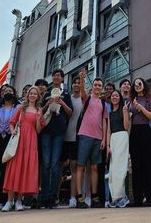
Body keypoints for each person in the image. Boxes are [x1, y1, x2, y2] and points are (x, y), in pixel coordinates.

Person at [1, 86, 45, 211]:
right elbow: (11, 123)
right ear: (28, 95)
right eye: (31, 93)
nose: (32, 95)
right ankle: (9, 201)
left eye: (35, 94)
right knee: (14, 168)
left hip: (31, 141)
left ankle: (19, 200)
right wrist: (12, 130)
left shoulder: (39, 110)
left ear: (38, 96)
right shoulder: (21, 108)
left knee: (25, 168)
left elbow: (38, 130)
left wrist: (38, 118)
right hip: (19, 140)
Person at [39, 68, 73, 209]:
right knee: (46, 164)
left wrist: (61, 102)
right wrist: (48, 102)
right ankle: (44, 196)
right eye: (54, 75)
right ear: (52, 78)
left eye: (59, 75)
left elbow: (70, 113)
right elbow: (39, 112)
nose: (56, 77)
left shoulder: (66, 93)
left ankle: (53, 196)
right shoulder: (47, 93)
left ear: (62, 78)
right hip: (46, 131)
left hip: (59, 132)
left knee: (55, 164)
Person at [75, 76, 108, 208]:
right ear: (92, 86)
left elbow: (104, 122)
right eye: (96, 85)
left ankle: (94, 197)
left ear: (102, 88)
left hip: (98, 138)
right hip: (84, 135)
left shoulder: (103, 103)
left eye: (100, 85)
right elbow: (82, 90)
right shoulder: (87, 99)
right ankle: (79, 198)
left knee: (94, 167)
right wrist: (82, 79)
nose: (98, 87)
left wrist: (104, 138)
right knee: (81, 166)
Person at [129, 77, 151, 207]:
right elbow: (130, 117)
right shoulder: (131, 100)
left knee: (148, 165)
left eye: (139, 84)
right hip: (134, 132)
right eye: (135, 85)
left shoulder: (149, 99)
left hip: (145, 131)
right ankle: (138, 199)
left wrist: (141, 108)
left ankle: (150, 198)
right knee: (136, 166)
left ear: (144, 85)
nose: (137, 86)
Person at [61, 72, 84, 208]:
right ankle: (55, 197)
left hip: (77, 138)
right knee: (60, 166)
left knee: (74, 168)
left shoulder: (83, 99)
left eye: (78, 83)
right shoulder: (67, 98)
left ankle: (73, 198)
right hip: (64, 137)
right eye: (74, 83)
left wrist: (83, 77)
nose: (76, 85)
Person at [107, 89, 130, 208]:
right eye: (113, 95)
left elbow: (126, 127)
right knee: (113, 169)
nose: (115, 97)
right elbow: (109, 130)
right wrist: (108, 146)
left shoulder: (123, 109)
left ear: (120, 98)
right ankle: (115, 197)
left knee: (120, 168)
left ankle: (122, 197)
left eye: (117, 95)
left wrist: (126, 113)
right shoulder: (110, 113)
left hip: (122, 136)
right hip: (113, 139)